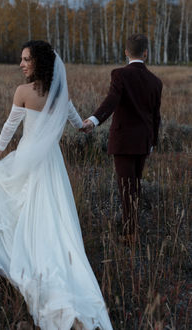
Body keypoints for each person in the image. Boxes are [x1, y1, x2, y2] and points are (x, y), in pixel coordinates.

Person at [0, 41, 113, 329]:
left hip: (28, 162)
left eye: (26, 59)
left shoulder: (23, 92)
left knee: (23, 206)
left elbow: (9, 128)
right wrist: (92, 122)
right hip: (52, 165)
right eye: (21, 58)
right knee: (55, 218)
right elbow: (78, 124)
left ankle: (34, 262)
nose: (21, 64)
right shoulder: (60, 96)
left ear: (38, 62)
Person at [83, 34, 163, 243]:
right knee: (134, 185)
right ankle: (132, 227)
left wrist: (93, 120)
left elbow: (112, 100)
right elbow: (156, 116)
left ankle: (130, 233)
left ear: (126, 52)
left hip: (124, 142)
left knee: (126, 188)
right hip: (144, 141)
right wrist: (152, 142)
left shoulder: (119, 75)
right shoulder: (156, 81)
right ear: (146, 52)